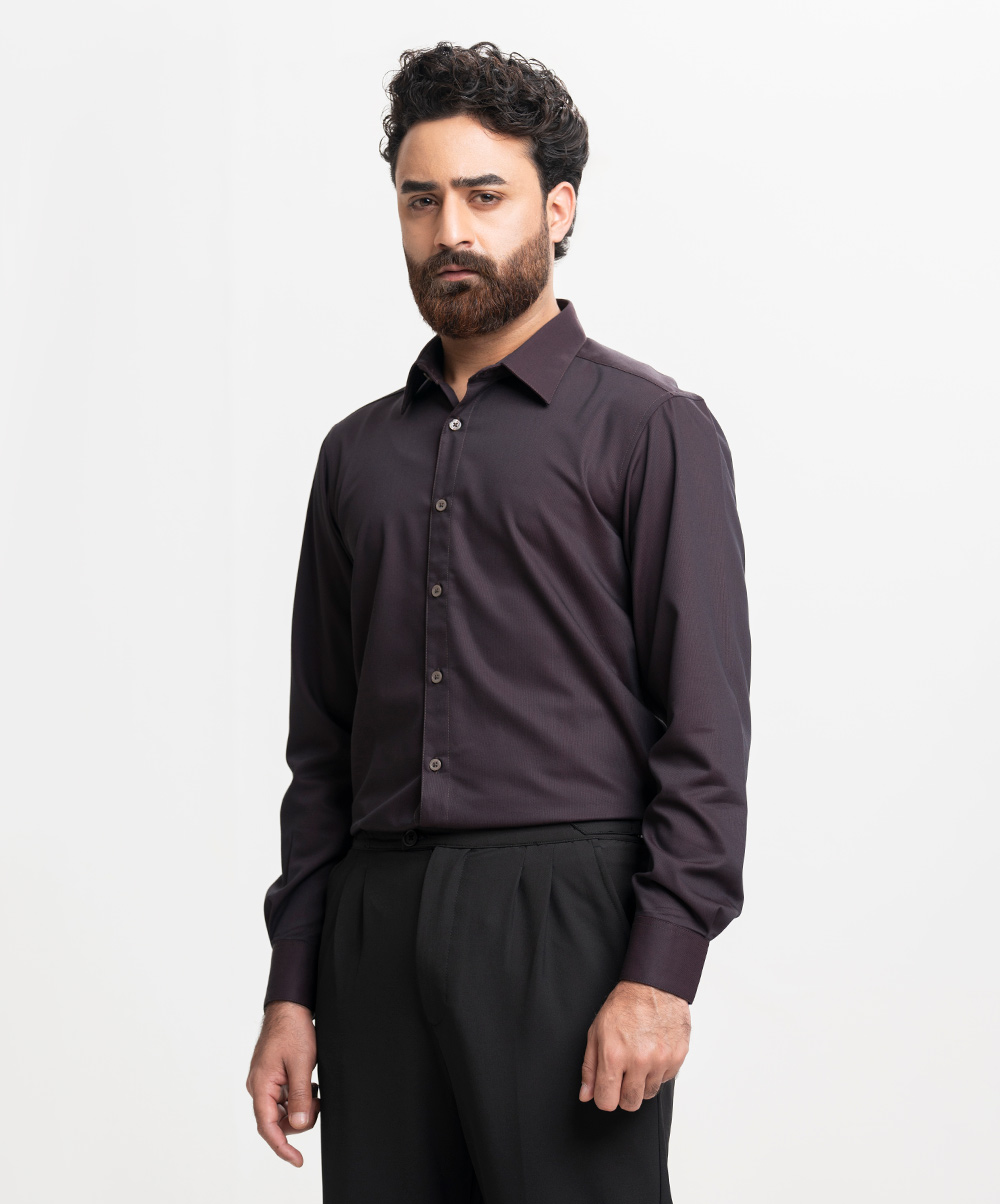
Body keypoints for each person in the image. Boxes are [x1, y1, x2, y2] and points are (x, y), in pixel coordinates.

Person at [246, 40, 751, 1204]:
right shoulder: (354, 456)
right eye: (420, 200)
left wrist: (661, 970)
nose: (449, 231)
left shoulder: (650, 429)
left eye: (485, 196)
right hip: (373, 925)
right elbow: (322, 749)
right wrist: (292, 984)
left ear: (556, 208)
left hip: (566, 920)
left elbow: (705, 729)